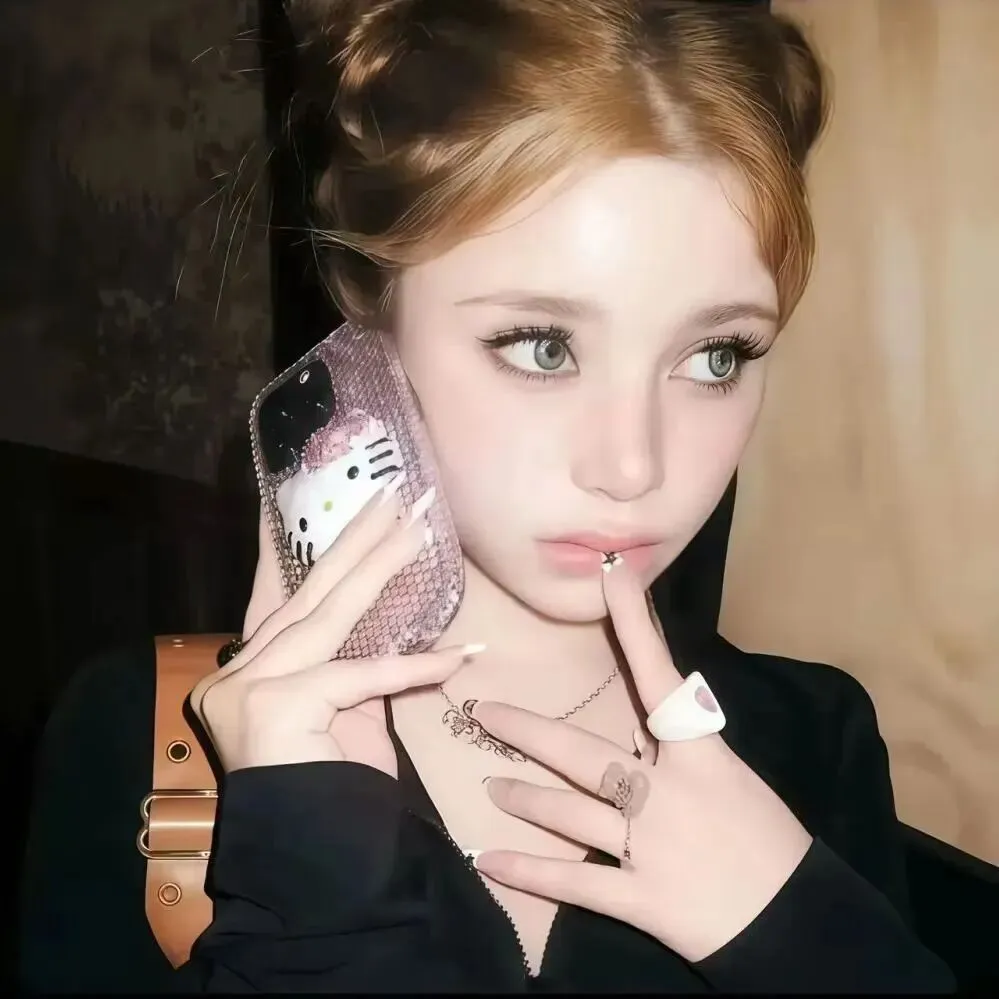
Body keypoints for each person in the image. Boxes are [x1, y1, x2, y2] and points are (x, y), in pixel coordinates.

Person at [19, 0, 957, 992]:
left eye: (716, 354)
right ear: (369, 316)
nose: (633, 466)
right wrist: (313, 876)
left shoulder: (815, 737)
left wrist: (808, 940)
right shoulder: (150, 737)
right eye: (543, 347)